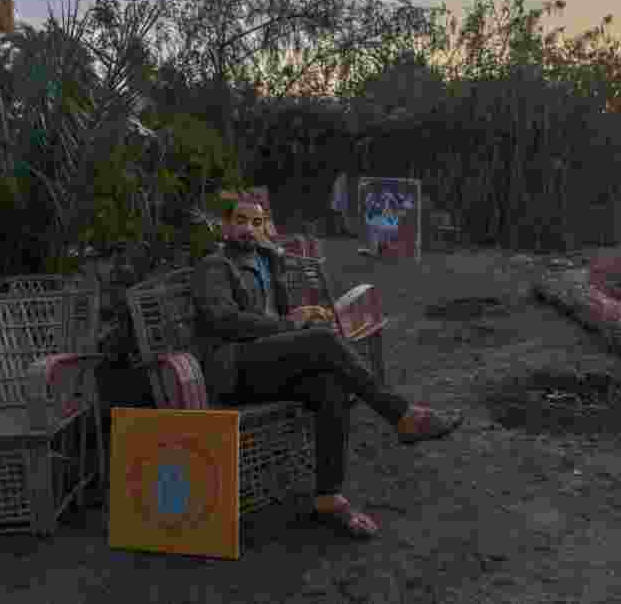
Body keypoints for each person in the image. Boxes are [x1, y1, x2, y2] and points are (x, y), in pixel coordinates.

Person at [191, 191, 463, 540]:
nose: (248, 229)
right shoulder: (214, 265)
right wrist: (291, 326)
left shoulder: (266, 261)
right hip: (232, 368)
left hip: (263, 362)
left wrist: (298, 313)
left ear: (265, 227)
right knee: (321, 341)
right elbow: (225, 320)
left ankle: (328, 497)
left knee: (329, 386)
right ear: (226, 226)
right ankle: (402, 415)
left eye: (256, 222)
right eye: (240, 221)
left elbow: (276, 316)